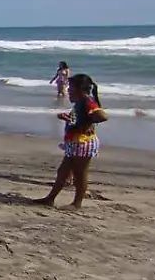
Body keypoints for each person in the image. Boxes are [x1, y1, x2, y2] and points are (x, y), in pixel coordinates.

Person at [36, 74, 106, 210]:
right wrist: (69, 119)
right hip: (75, 142)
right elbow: (80, 120)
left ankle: (77, 204)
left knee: (80, 174)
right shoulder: (81, 103)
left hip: (83, 143)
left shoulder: (87, 101)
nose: (68, 90)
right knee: (63, 171)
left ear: (80, 89)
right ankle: (50, 199)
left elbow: (102, 116)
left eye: (71, 88)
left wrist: (85, 123)